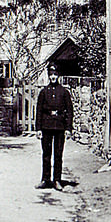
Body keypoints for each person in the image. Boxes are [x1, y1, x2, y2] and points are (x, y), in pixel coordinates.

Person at [35, 63, 73, 191]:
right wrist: (38, 129)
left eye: (55, 74)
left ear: (59, 76)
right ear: (48, 76)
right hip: (46, 126)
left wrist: (68, 128)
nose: (53, 77)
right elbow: (39, 111)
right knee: (46, 154)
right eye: (51, 75)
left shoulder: (64, 92)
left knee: (58, 154)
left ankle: (57, 180)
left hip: (60, 126)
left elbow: (69, 111)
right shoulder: (43, 92)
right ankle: (45, 179)